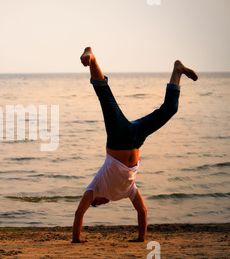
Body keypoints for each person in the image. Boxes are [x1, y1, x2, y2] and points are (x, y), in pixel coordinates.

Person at [72, 47, 198, 243]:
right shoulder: (127, 190)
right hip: (136, 137)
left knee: (105, 98)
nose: (102, 202)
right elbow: (142, 210)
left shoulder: (95, 188)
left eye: (97, 203)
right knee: (169, 110)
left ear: (95, 200)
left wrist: (76, 240)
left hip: (118, 138)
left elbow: (79, 212)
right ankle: (177, 69)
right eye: (99, 203)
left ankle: (92, 57)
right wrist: (141, 238)